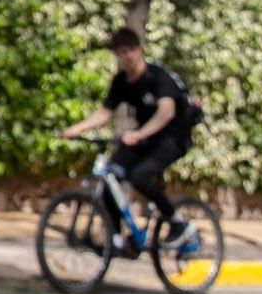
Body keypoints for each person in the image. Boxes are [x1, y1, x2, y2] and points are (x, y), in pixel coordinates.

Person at [60, 27, 205, 243]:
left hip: (172, 138)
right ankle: (117, 238)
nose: (126, 56)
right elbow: (104, 112)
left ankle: (176, 222)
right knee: (111, 175)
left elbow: (167, 112)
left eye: (130, 50)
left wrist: (139, 134)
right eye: (121, 52)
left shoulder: (156, 77)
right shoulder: (121, 81)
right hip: (147, 138)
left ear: (139, 50)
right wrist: (76, 129)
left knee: (139, 176)